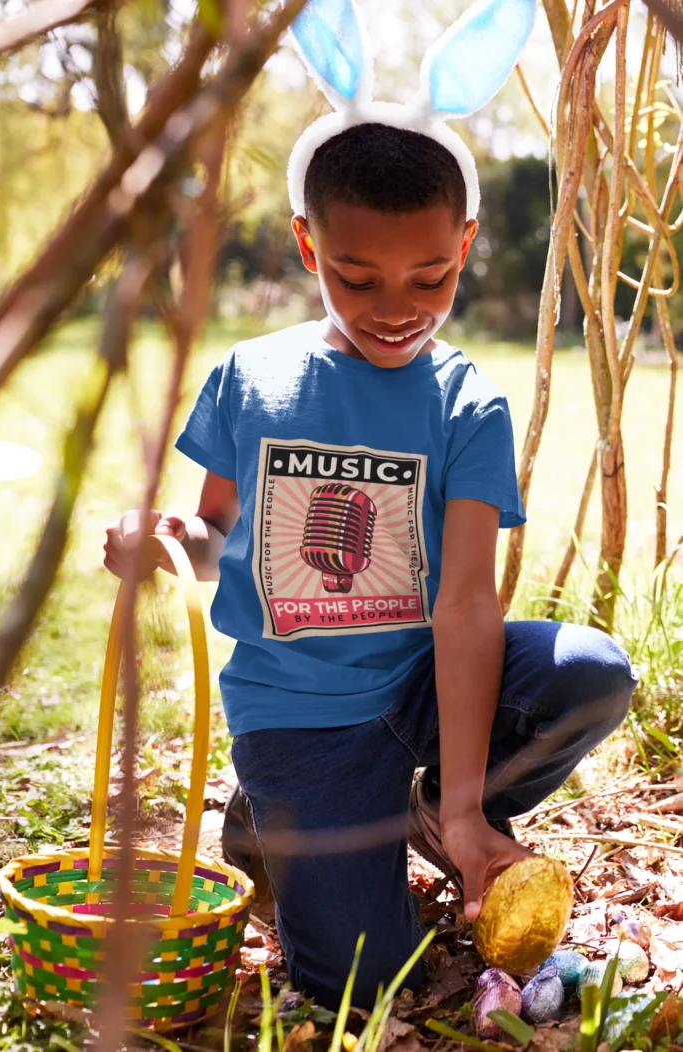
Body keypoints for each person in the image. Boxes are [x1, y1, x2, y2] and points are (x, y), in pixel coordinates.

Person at [103, 0, 638, 1012]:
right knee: (364, 981)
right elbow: (217, 537)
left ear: (467, 243)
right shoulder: (249, 378)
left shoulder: (463, 401)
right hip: (299, 718)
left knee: (589, 671)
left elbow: (467, 605)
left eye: (429, 275)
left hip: (417, 689)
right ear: (308, 247)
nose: (396, 303)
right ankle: (268, 822)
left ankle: (434, 814)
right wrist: (173, 541)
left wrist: (474, 802)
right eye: (358, 276)